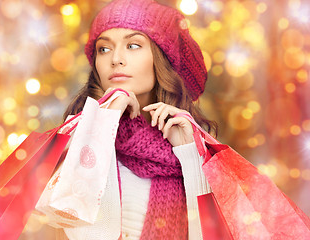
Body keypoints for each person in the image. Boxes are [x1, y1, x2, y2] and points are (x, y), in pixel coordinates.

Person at [56, 0, 217, 239]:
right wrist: (103, 123)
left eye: (133, 45)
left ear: (161, 60)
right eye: (104, 48)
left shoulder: (196, 146)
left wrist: (189, 153)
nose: (116, 59)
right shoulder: (78, 135)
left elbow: (212, 233)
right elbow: (67, 223)